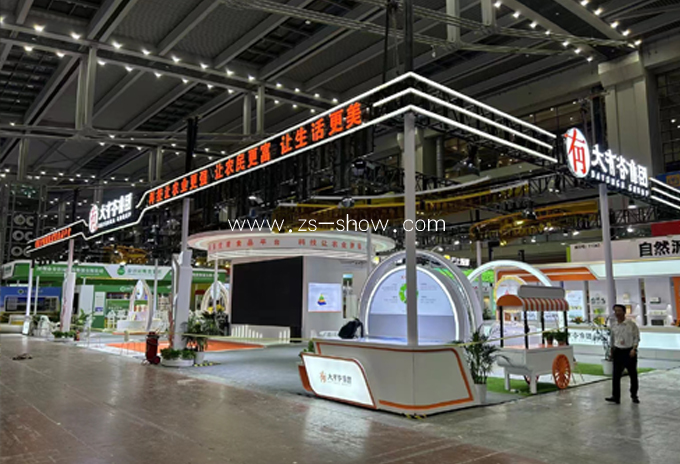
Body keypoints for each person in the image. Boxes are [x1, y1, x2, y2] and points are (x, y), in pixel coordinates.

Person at [606, 304, 640, 404]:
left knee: (633, 375)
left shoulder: (631, 324)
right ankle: (616, 396)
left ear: (624, 312)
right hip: (618, 351)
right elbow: (612, 339)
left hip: (629, 351)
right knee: (616, 375)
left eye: (619, 311)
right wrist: (611, 351)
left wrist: (634, 349)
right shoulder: (614, 325)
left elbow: (636, 337)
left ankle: (634, 395)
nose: (617, 313)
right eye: (616, 311)